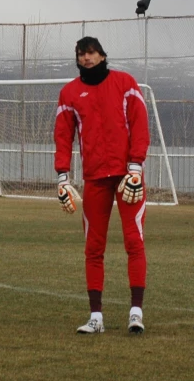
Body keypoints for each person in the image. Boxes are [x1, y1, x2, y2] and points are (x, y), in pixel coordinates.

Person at [53, 36, 150, 335]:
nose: (86, 58)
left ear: (103, 55)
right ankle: (96, 317)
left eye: (91, 53)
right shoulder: (69, 92)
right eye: (81, 54)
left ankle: (136, 312)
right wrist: (62, 176)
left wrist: (136, 165)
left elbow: (140, 123)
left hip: (126, 177)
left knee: (134, 242)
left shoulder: (125, 83)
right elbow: (62, 136)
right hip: (94, 178)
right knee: (93, 248)